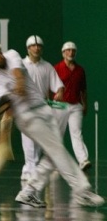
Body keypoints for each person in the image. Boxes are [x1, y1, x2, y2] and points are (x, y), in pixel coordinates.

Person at [0, 39, 104, 208]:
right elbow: (6, 106)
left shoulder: (12, 54)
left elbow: (19, 80)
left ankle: (28, 192)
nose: (1, 55)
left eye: (0, 51)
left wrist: (14, 91)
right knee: (56, 149)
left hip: (44, 109)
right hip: (27, 118)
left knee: (53, 154)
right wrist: (5, 127)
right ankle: (82, 191)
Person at [20, 35, 64, 181]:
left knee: (38, 143)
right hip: (25, 109)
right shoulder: (20, 65)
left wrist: (59, 92)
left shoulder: (47, 67)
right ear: (28, 48)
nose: (37, 48)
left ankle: (28, 170)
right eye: (33, 46)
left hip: (42, 109)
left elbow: (58, 86)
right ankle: (31, 171)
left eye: (39, 46)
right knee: (29, 141)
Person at [53, 41, 91, 171]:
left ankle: (83, 160)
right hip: (60, 105)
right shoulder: (57, 68)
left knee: (77, 133)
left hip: (76, 106)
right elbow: (50, 87)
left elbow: (83, 90)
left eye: (73, 50)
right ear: (63, 53)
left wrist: (85, 104)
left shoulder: (80, 70)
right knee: (58, 133)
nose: (71, 53)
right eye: (68, 50)